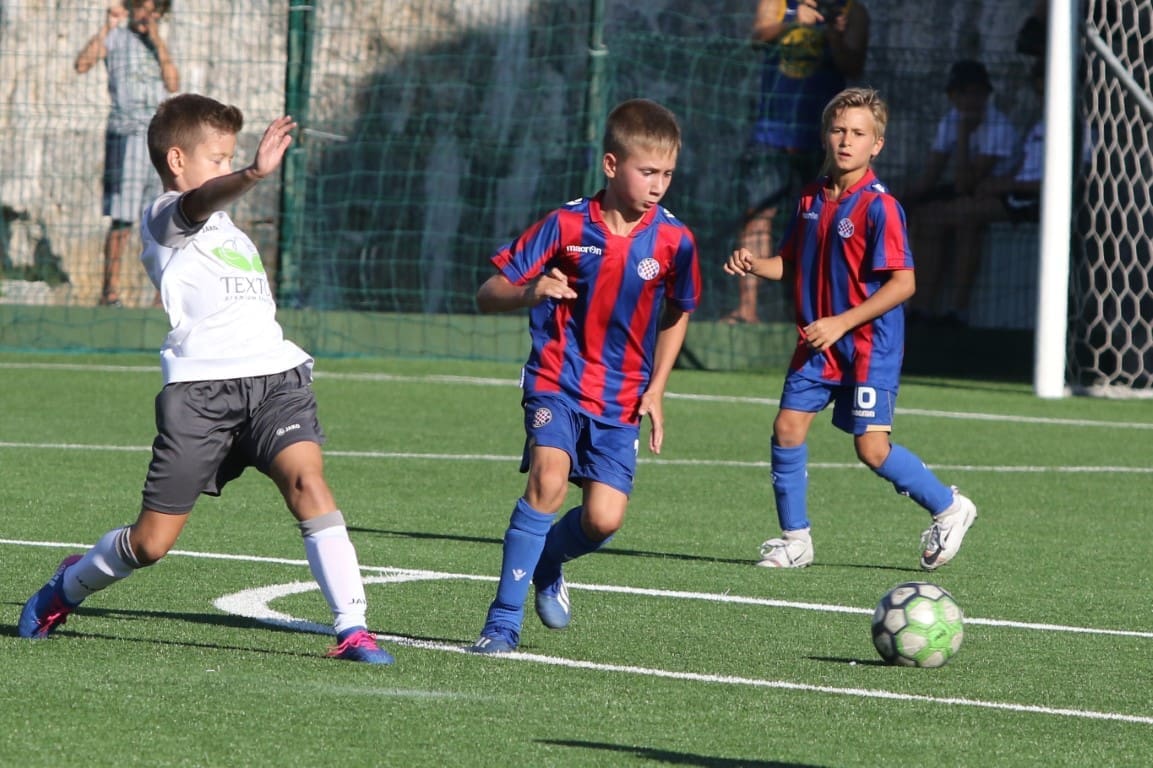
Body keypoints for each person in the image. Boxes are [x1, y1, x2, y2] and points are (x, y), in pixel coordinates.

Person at [18, 93, 395, 665]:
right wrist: (251, 174)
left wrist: (238, 175)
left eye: (230, 159)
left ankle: (353, 629)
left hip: (274, 379)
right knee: (150, 544)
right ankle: (66, 587)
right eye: (217, 158)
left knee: (308, 483)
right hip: (201, 397)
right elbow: (198, 201)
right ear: (177, 159)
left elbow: (213, 202)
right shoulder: (164, 217)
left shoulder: (226, 226)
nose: (227, 168)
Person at [468, 98, 702, 654]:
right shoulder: (566, 224)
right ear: (612, 165)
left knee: (603, 519)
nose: (658, 186)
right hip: (557, 379)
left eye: (668, 174)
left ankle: (549, 561)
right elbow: (488, 293)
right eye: (648, 172)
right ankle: (502, 623)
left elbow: (679, 310)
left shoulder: (676, 241)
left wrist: (658, 388)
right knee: (548, 481)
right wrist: (532, 291)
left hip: (621, 397)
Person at [723, 87, 977, 570]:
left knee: (872, 449)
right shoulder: (809, 198)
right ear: (825, 135)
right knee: (786, 427)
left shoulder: (881, 207)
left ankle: (949, 507)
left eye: (858, 133)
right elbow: (791, 264)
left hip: (866, 345)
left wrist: (841, 322)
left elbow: (903, 284)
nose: (846, 140)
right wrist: (756, 264)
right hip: (819, 342)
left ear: (876, 145)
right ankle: (796, 540)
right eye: (838, 130)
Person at [724, 0, 869, 325]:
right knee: (757, 215)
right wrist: (794, 23)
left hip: (823, 138)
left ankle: (815, 309)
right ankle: (747, 309)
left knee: (821, 221)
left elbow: (854, 65)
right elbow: (757, 36)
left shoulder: (852, 10)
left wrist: (833, 34)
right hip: (772, 130)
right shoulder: (777, 3)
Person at [75, 0, 180, 307]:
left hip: (159, 139)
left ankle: (163, 296)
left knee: (163, 216)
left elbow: (173, 83)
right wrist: (108, 26)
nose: (144, 14)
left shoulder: (160, 44)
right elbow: (82, 64)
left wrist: (157, 39)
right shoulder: (116, 37)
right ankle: (110, 292)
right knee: (122, 217)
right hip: (127, 135)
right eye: (140, 7)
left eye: (151, 9)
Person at [902, 60, 1020, 325]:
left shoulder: (997, 127)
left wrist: (964, 135)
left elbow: (965, 184)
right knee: (921, 217)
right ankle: (920, 307)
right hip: (971, 193)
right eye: (965, 93)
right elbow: (930, 176)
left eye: (978, 93)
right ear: (952, 96)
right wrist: (898, 201)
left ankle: (958, 310)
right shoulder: (951, 120)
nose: (971, 100)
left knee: (963, 220)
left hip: (995, 194)